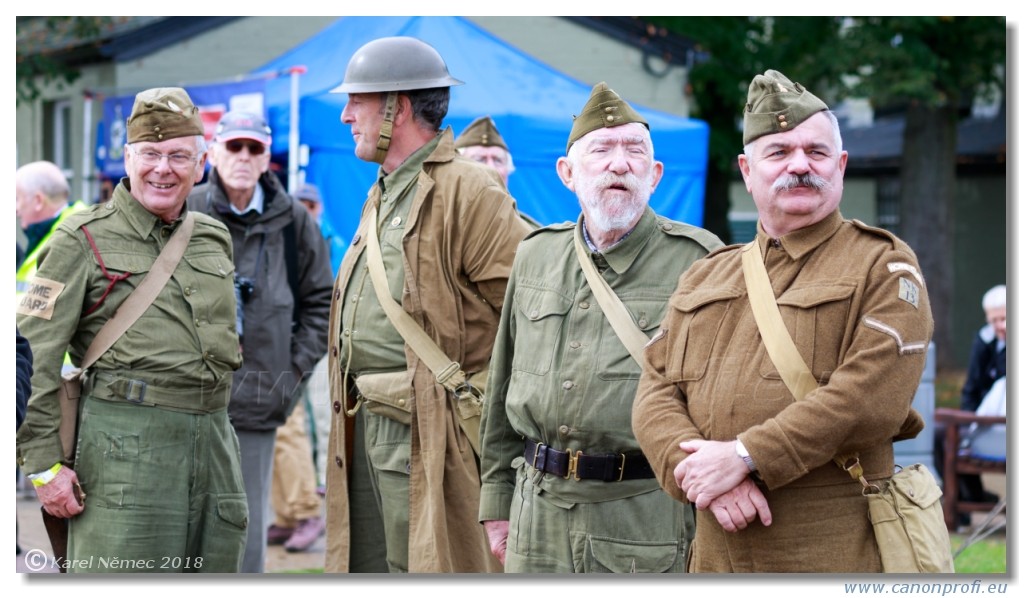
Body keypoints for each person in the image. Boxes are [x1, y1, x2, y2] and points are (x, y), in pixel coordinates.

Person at [632, 69, 933, 572]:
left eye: (816, 153)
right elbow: (654, 392)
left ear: (839, 166)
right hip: (715, 550)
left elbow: (868, 397)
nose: (800, 166)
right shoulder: (704, 275)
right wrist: (700, 474)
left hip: (832, 545)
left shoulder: (881, 264)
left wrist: (746, 456)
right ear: (748, 171)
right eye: (779, 153)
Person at [478, 82, 722, 573]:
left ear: (654, 175)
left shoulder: (700, 261)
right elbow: (502, 386)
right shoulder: (535, 253)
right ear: (567, 173)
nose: (619, 163)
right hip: (536, 514)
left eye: (635, 151)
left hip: (643, 516)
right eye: (601, 150)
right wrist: (495, 504)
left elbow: (723, 402)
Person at [16, 87, 248, 572]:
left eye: (179, 156)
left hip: (215, 446)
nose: (163, 169)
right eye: (151, 154)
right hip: (124, 451)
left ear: (201, 164)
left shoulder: (213, 236)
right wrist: (43, 467)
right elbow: (31, 354)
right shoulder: (80, 238)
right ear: (128, 158)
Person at [324, 36, 532, 573]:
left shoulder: (469, 190)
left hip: (434, 433)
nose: (347, 115)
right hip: (369, 423)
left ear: (398, 107)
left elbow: (526, 320)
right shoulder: (387, 189)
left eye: (359, 101)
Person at [187, 111, 334, 572]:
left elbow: (321, 301)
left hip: (258, 398)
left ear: (268, 158)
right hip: (183, 396)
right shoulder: (186, 210)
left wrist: (290, 375)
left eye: (255, 148)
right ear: (213, 152)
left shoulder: (293, 220)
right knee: (180, 525)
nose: (244, 157)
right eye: (235, 146)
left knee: (244, 530)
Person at [933, 283, 1005, 508]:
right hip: (982, 418)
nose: (998, 326)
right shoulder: (984, 342)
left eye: (1003, 319)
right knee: (939, 434)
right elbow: (971, 389)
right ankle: (970, 497)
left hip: (1004, 424)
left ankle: (971, 499)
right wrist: (967, 423)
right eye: (993, 321)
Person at [455, 115, 541, 228]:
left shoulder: (530, 232)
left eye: (498, 160)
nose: (491, 168)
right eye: (480, 159)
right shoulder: (436, 222)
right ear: (456, 169)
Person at [16, 161, 85, 282]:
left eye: (17, 199)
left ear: (38, 201)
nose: (15, 209)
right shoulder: (53, 231)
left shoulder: (73, 237)